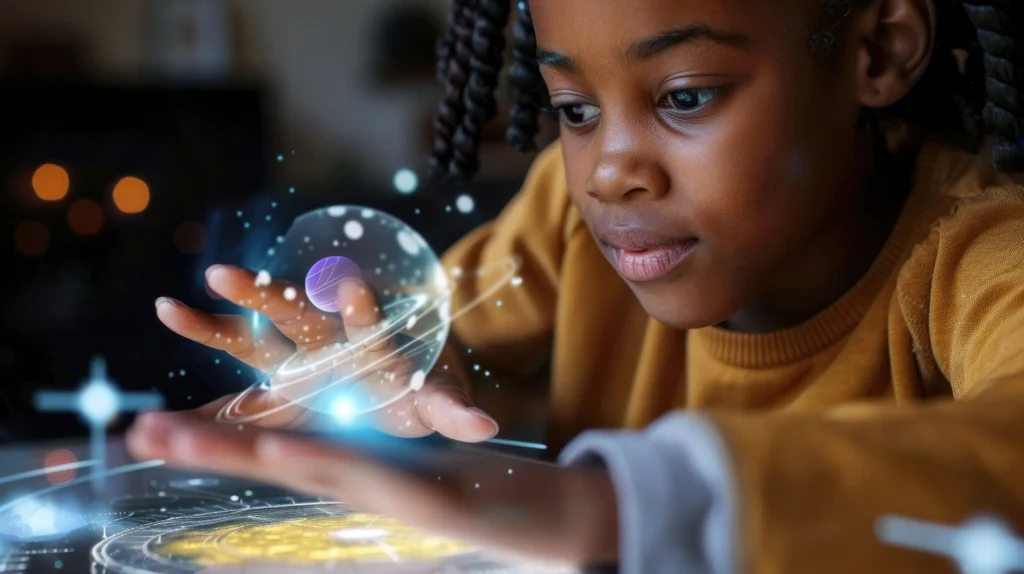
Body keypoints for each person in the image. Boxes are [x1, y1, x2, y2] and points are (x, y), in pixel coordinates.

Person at [128, 0, 1024, 572]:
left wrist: (629, 508)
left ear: (878, 50)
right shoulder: (568, 211)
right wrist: (405, 373)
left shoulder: (975, 250)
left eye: (685, 96)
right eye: (576, 112)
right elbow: (448, 335)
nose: (608, 174)